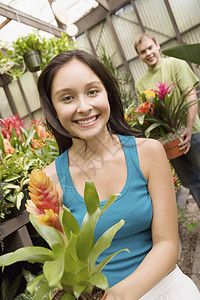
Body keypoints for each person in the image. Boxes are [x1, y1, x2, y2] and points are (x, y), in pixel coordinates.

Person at [37, 50, 200, 299]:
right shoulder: (49, 182)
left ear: (108, 94)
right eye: (67, 98)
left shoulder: (148, 153)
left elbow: (167, 245)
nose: (84, 106)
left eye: (93, 91)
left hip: (166, 290)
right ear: (53, 109)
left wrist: (117, 296)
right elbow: (66, 266)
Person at [134, 32, 200, 208]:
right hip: (169, 141)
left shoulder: (175, 64)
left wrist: (187, 128)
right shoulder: (140, 84)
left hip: (192, 133)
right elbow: (148, 115)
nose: (148, 53)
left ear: (157, 46)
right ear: (139, 56)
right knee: (190, 182)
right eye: (142, 51)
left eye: (150, 48)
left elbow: (191, 96)